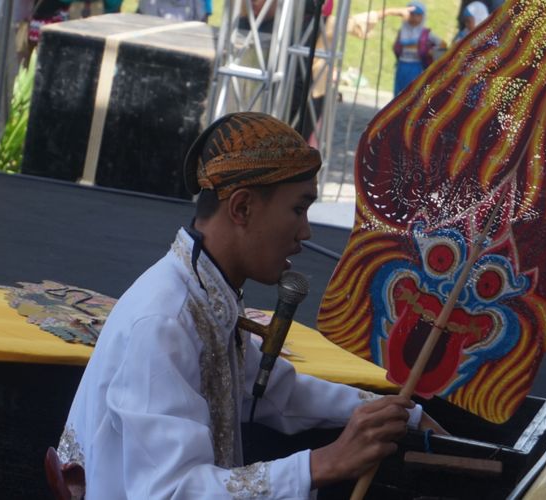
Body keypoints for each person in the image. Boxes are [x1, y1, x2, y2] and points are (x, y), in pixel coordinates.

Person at [57, 112, 444, 498]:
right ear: (242, 209)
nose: (306, 232)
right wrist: (322, 464)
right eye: (298, 208)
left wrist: (401, 413)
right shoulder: (166, 320)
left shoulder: (205, 295)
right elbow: (172, 491)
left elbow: (278, 393)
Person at [392, 1, 446, 96]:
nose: (414, 18)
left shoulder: (426, 34)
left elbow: (443, 44)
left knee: (412, 94)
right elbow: (395, 47)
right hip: (402, 66)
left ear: (423, 16)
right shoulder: (402, 31)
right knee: (399, 94)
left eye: (418, 15)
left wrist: (431, 52)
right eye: (412, 14)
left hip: (416, 67)